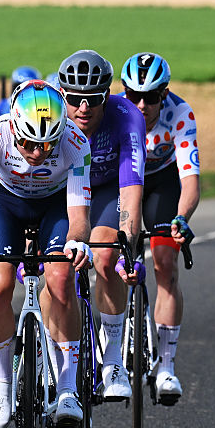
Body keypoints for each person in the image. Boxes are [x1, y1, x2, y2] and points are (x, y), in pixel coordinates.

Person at [0, 79, 93, 428]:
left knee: (62, 279)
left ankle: (67, 387)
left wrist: (77, 241)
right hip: (7, 206)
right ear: (13, 127)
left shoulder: (76, 142)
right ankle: (2, 381)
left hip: (55, 207)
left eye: (46, 145)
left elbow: (79, 216)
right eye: (27, 143)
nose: (37, 154)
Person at [58, 49, 146, 399]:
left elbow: (132, 190)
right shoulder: (50, 114)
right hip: (61, 191)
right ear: (62, 95)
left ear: (107, 95)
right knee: (57, 270)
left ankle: (112, 361)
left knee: (106, 259)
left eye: (93, 99)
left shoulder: (127, 117)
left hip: (108, 189)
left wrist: (129, 250)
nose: (84, 108)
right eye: (76, 99)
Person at [119, 52, 200, 404]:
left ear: (164, 94)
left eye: (150, 97)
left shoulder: (180, 114)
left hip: (163, 182)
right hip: (123, 182)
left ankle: (166, 366)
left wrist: (182, 218)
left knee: (165, 263)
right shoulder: (115, 113)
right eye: (132, 95)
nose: (141, 104)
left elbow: (190, 181)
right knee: (110, 257)